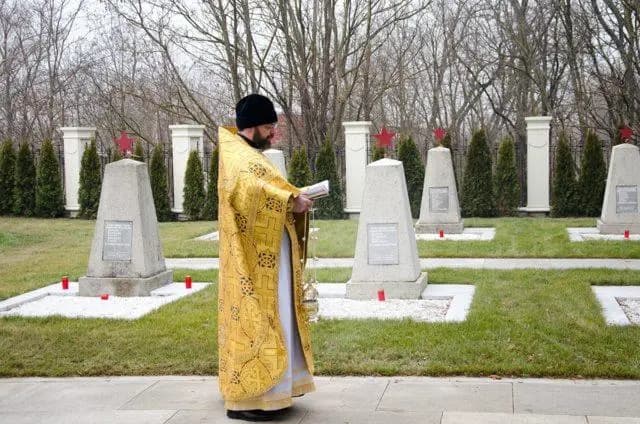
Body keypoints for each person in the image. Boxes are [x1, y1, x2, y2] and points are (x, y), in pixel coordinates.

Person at [217, 93, 316, 421]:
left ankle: (279, 388)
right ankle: (254, 399)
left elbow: (263, 188)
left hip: (269, 250)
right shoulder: (240, 157)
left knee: (278, 316)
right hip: (255, 259)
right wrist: (290, 200)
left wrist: (292, 198)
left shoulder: (244, 152)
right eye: (269, 127)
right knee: (259, 319)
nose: (273, 134)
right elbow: (250, 192)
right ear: (254, 126)